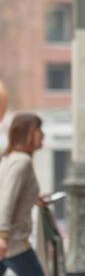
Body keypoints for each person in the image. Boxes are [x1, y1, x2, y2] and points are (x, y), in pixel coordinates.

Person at [0, 113, 48, 275]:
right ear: (27, 132)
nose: (42, 134)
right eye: (38, 129)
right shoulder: (22, 161)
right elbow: (7, 199)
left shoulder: (10, 158)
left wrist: (34, 198)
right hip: (14, 243)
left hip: (9, 243)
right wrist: (3, 236)